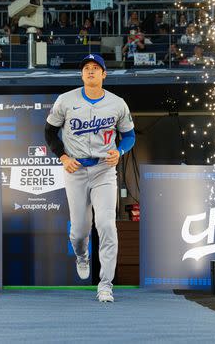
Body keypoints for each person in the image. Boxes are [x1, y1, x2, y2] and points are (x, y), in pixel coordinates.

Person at [44, 54, 135, 303]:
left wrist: (121, 151)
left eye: (96, 68)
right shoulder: (66, 100)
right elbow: (50, 131)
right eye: (87, 68)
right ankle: (82, 255)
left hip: (104, 169)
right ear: (82, 74)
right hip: (75, 171)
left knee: (106, 224)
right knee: (79, 231)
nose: (91, 71)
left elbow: (129, 136)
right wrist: (62, 156)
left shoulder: (117, 103)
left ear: (104, 74)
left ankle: (105, 284)